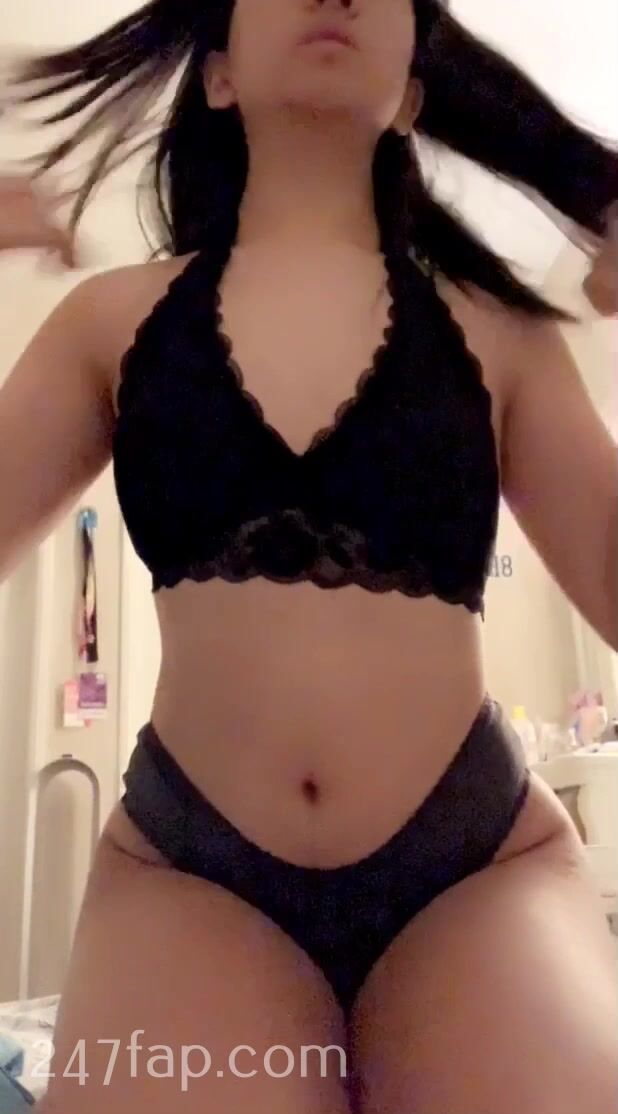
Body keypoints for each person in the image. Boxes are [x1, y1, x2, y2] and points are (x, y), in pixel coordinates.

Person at [0, 1, 617, 1111]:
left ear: (413, 96)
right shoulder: (106, 324)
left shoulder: (504, 335)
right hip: (191, 876)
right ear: (219, 76)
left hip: (476, 868)